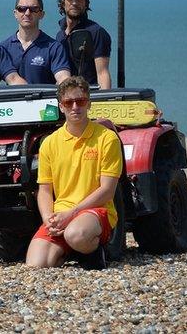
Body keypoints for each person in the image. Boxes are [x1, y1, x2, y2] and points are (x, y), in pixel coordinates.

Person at [26, 77, 123, 269]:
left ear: (89, 104)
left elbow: (107, 191)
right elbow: (44, 190)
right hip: (61, 214)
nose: (75, 107)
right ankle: (71, 250)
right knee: (36, 264)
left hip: (96, 211)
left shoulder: (107, 138)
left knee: (76, 234)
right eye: (69, 102)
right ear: (61, 107)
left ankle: (94, 250)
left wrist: (72, 214)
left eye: (81, 101)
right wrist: (48, 220)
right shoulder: (50, 143)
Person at [1, 0, 71, 85]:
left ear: (42, 14)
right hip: (13, 100)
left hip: (44, 100)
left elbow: (63, 78)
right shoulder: (3, 48)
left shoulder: (54, 48)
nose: (27, 13)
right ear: (15, 13)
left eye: (34, 9)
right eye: (21, 9)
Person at [55, 0, 112, 89]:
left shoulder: (96, 32)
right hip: (67, 97)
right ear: (63, 3)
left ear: (86, 4)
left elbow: (102, 72)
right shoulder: (60, 35)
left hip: (89, 96)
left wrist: (104, 99)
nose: (75, 3)